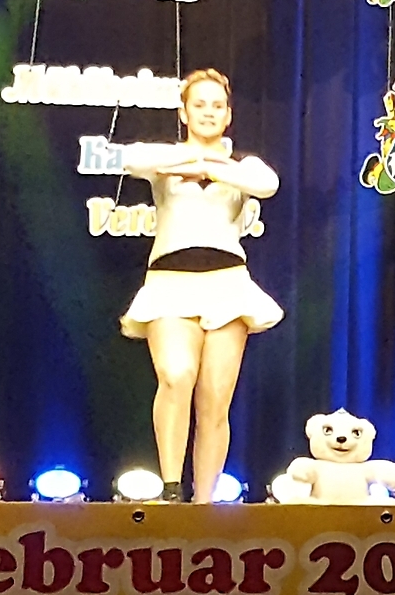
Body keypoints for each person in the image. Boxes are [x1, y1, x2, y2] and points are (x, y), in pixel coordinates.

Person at [120, 69, 282, 502]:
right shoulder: (165, 161)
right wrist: (189, 160)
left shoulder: (242, 164)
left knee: (214, 399)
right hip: (170, 283)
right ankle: (171, 486)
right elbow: (132, 159)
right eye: (199, 105)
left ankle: (203, 501)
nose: (208, 113)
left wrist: (212, 166)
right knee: (177, 375)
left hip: (228, 284)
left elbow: (267, 184)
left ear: (228, 115)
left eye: (217, 106)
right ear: (184, 112)